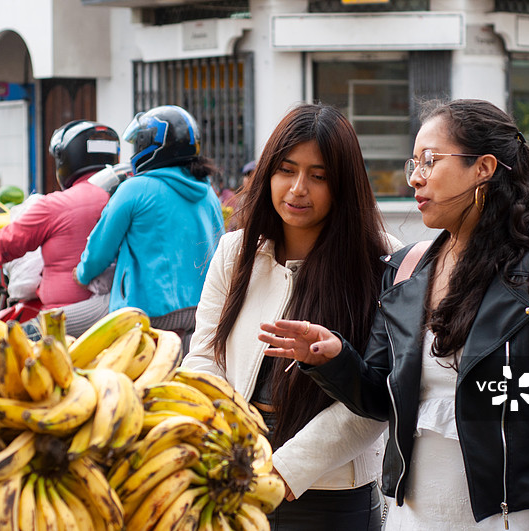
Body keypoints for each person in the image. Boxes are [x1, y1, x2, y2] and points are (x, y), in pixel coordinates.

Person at [260, 99, 529, 530]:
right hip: (411, 518)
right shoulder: (405, 270)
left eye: (430, 161)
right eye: (413, 163)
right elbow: (378, 399)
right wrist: (333, 359)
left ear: (483, 167)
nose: (416, 178)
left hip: (508, 519)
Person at [182, 102, 402, 530]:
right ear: (267, 173)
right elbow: (204, 357)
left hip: (330, 488)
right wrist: (218, 444)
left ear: (343, 185)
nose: (298, 188)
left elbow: (376, 397)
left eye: (318, 176)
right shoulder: (237, 251)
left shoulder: (383, 262)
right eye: (286, 170)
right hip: (233, 464)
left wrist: (283, 470)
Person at [75, 105, 225, 352]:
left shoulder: (135, 189)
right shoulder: (207, 192)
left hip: (147, 313)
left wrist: (81, 274)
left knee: (45, 327)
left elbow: (99, 252)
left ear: (151, 146)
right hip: (200, 312)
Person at [0, 120, 120, 335]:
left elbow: (9, 242)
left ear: (65, 159)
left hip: (66, 322)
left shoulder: (59, 204)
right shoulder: (130, 192)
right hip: (130, 310)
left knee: (4, 349)